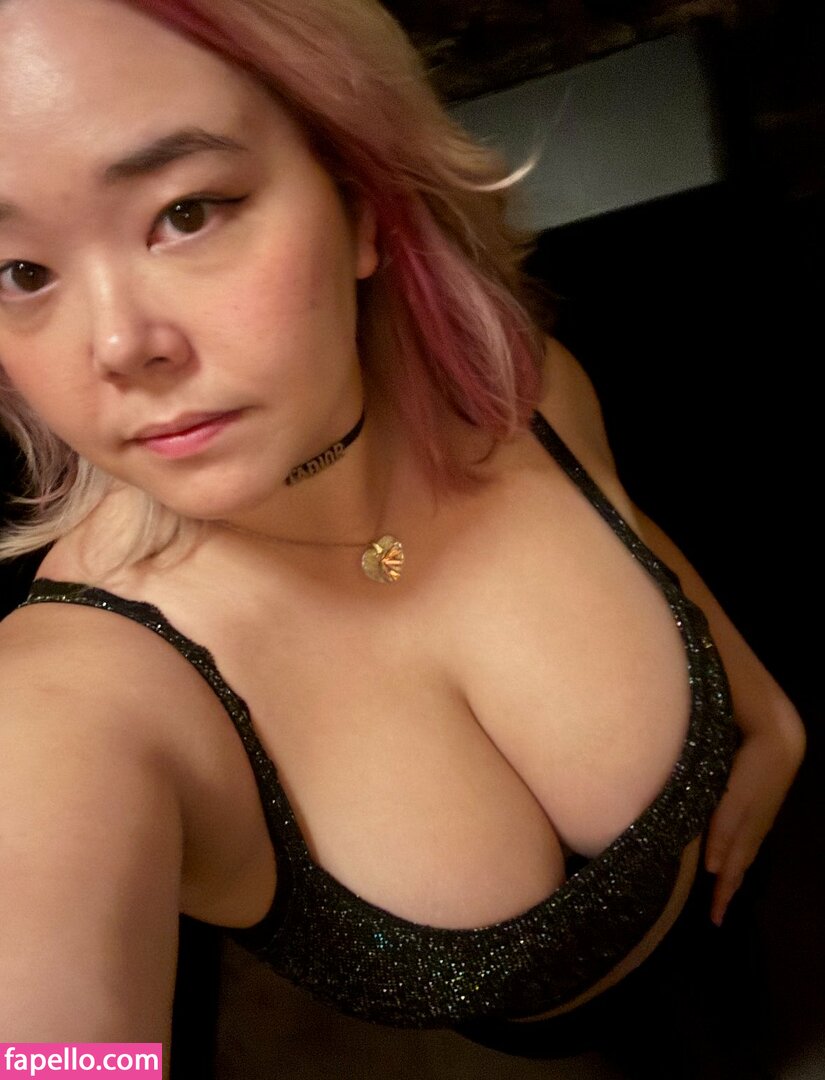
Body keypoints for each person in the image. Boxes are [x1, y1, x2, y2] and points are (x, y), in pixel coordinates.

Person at [0, 0, 805, 1072]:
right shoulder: (72, 704)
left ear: (361, 204)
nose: (117, 345)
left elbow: (628, 533)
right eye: (19, 273)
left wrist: (765, 711)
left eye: (186, 211)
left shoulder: (520, 399)